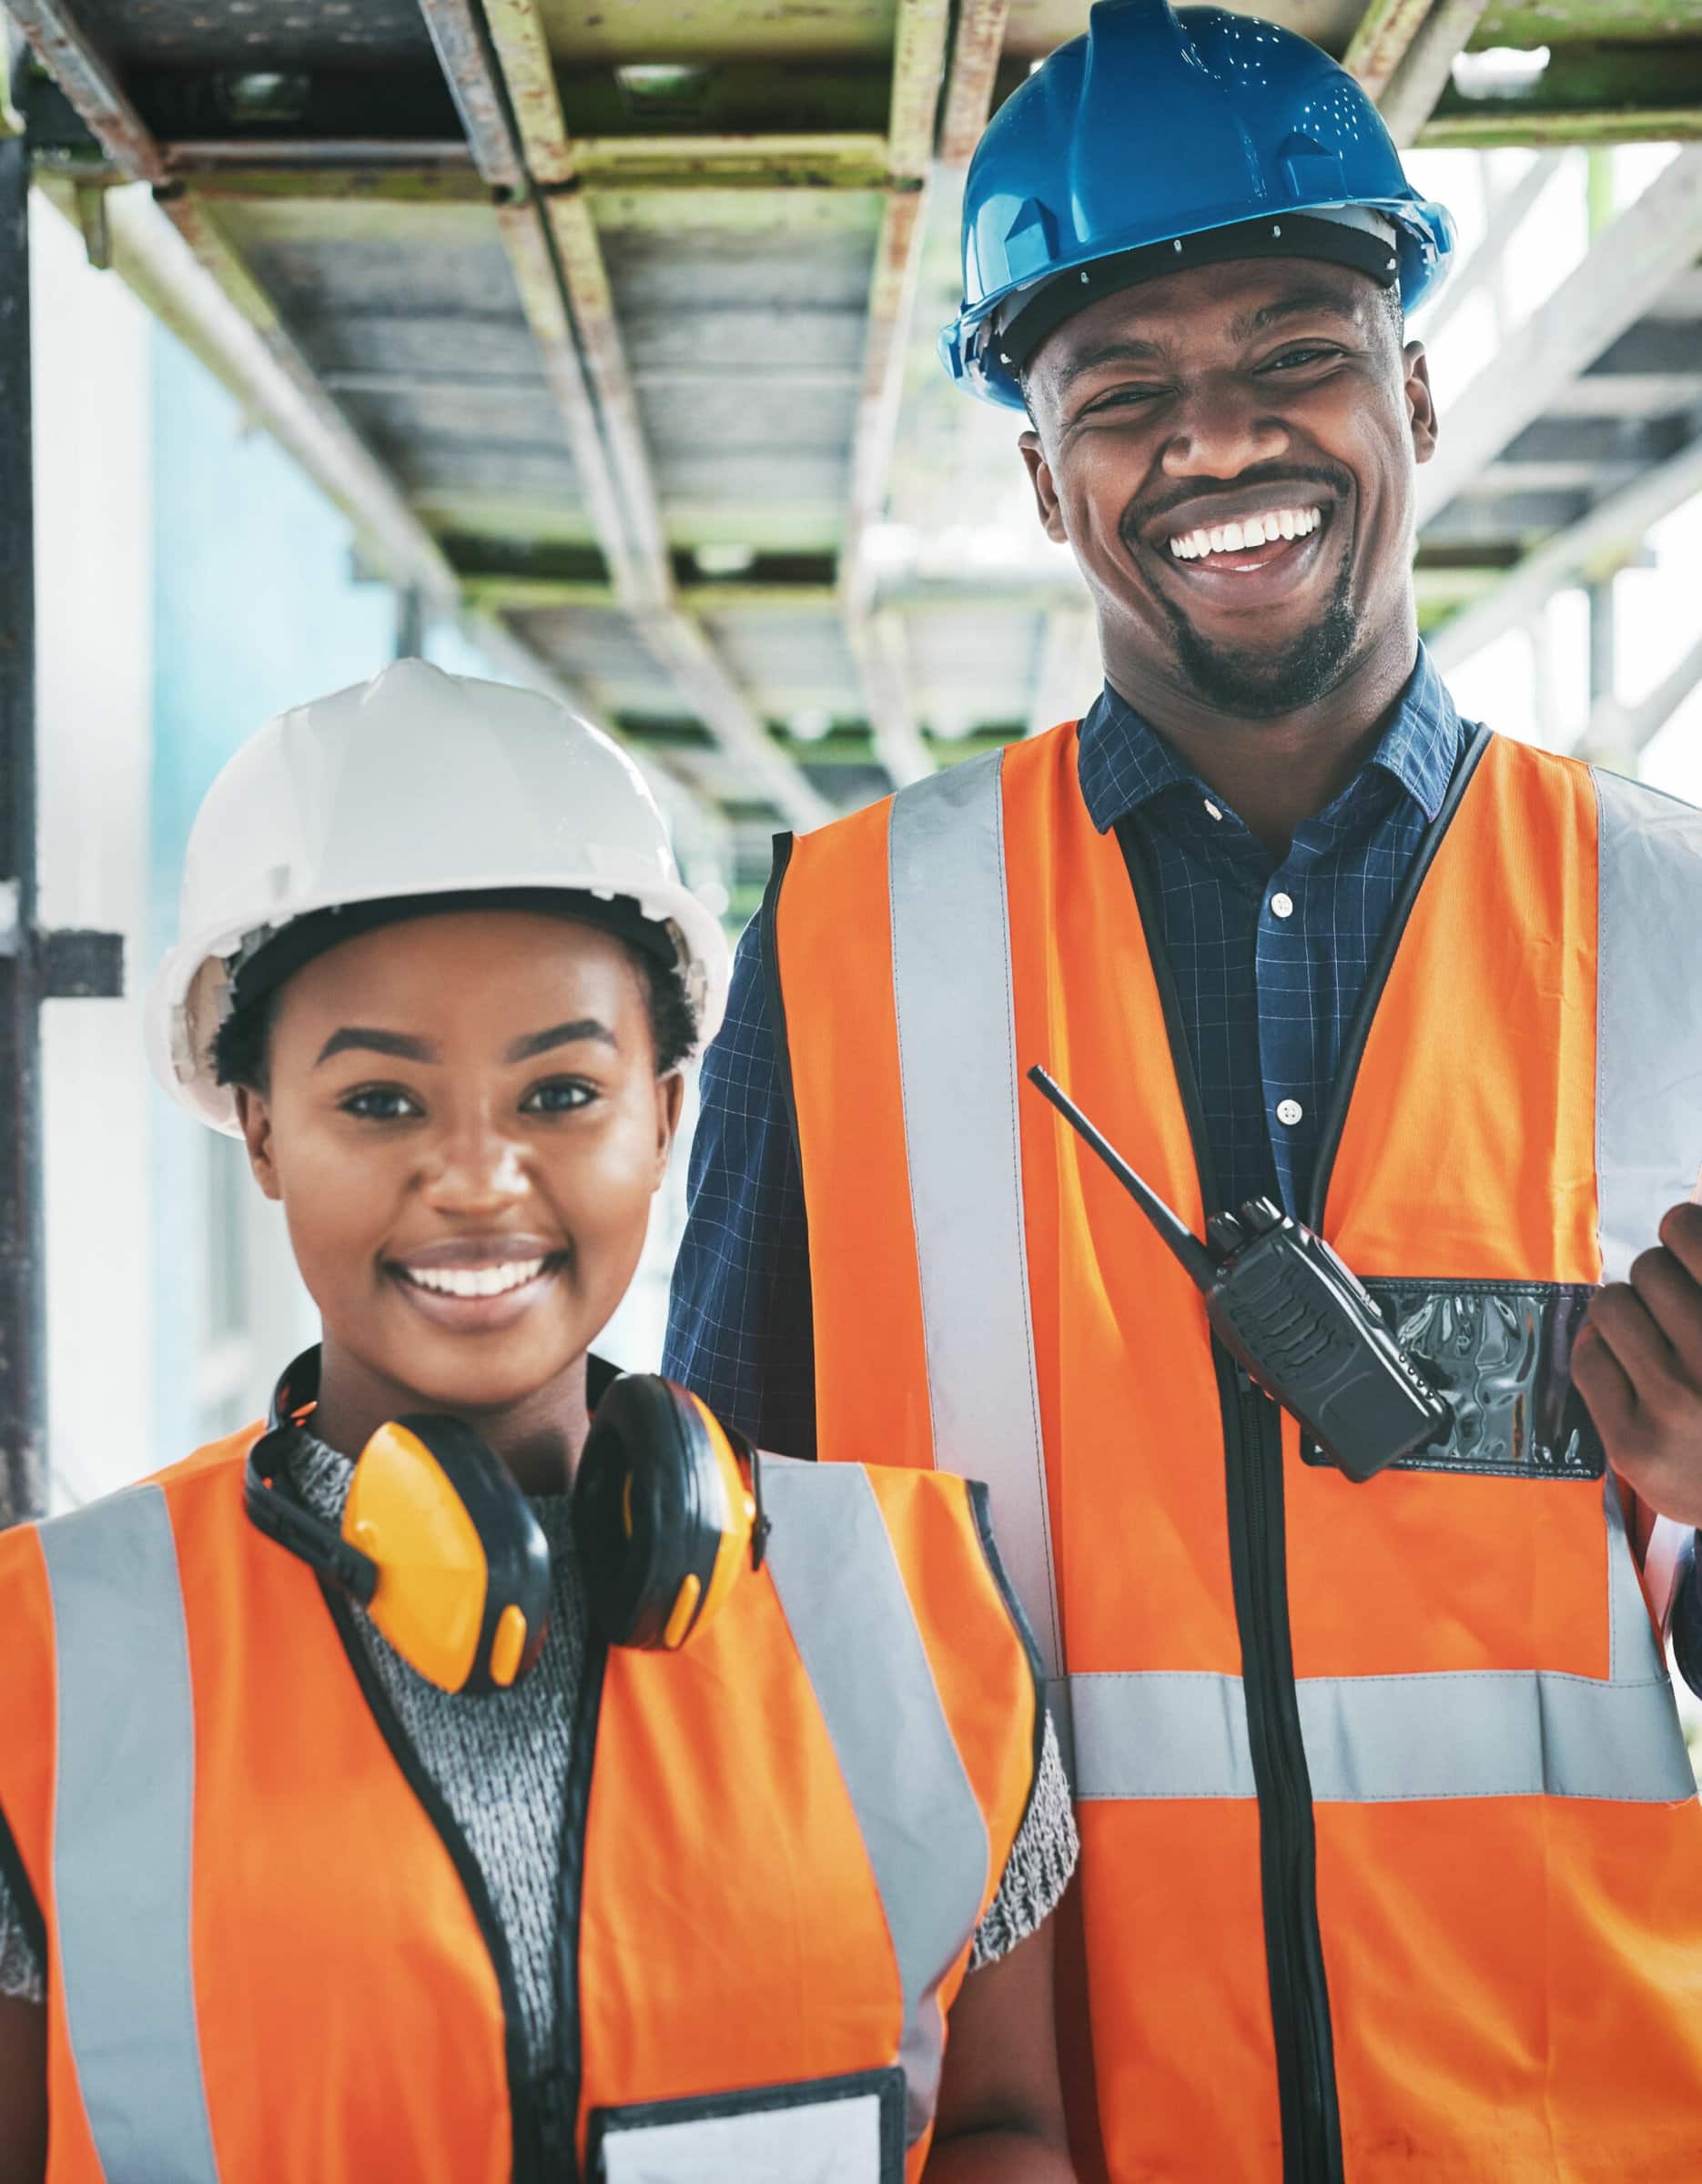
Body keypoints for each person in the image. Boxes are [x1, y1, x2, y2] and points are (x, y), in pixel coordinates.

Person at [664, 5, 1702, 2178]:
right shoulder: (849, 940)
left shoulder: (1677, 922)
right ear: (1044, 478)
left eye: (1292, 354)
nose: (1215, 444)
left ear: (1411, 387)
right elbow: (735, 1629)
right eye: (1120, 395)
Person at [0, 660, 1080, 2183]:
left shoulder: (920, 1609)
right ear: (258, 1130)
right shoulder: (45, 1658)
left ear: (665, 1115)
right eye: (379, 1103)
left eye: (561, 1093)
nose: (479, 1179)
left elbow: (999, 2131)